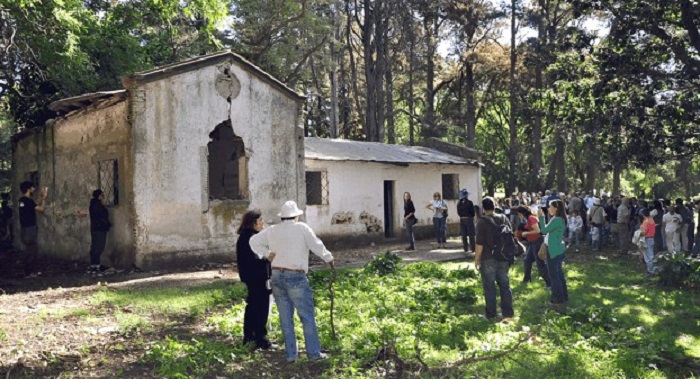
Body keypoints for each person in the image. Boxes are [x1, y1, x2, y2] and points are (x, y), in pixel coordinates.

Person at [249, 200, 334, 362]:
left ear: (283, 217)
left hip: (277, 275)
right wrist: (329, 258)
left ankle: (291, 355)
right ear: (295, 216)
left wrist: (266, 254)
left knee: (286, 318)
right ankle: (313, 354)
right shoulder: (302, 228)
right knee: (307, 316)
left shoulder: (272, 230)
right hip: (296, 276)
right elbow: (316, 245)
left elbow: (253, 241)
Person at [236, 209, 273, 350]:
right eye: (260, 221)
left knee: (253, 306)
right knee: (260, 306)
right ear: (254, 223)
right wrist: (267, 258)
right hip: (256, 277)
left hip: (253, 277)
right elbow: (254, 259)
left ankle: (250, 336)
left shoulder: (247, 236)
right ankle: (258, 337)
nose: (262, 223)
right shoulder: (251, 238)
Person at [474, 197, 514, 319]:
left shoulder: (482, 222)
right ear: (494, 205)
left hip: (488, 257)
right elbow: (510, 235)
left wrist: (477, 258)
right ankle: (507, 312)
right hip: (503, 256)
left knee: (489, 286)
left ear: (483, 208)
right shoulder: (503, 218)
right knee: (505, 285)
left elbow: (479, 243)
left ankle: (491, 314)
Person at [538, 200, 568, 306]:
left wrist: (541, 217)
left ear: (556, 208)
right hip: (558, 249)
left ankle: (557, 299)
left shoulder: (557, 220)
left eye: (550, 207)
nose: (548, 209)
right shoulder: (559, 219)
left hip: (554, 250)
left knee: (554, 275)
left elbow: (544, 230)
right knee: (559, 274)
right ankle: (563, 296)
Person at [18, 181, 48, 278]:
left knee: (29, 250)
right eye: (32, 188)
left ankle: (29, 271)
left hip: (24, 229)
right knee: (31, 251)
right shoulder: (28, 201)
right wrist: (44, 198)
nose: (34, 189)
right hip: (30, 229)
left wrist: (41, 197)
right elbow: (41, 209)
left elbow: (35, 204)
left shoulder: (23, 200)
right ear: (28, 189)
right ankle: (29, 272)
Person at [84, 189, 115, 277]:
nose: (103, 196)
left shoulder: (94, 204)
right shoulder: (97, 205)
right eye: (102, 195)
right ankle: (96, 266)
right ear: (98, 195)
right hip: (99, 229)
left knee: (95, 246)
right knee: (99, 246)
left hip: (96, 228)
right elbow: (100, 217)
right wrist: (105, 224)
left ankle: (94, 265)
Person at [518, 206, 550, 287]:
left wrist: (526, 233)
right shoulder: (529, 218)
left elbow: (537, 230)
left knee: (540, 264)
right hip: (532, 243)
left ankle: (549, 283)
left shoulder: (531, 218)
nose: (519, 216)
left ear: (522, 213)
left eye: (519, 214)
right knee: (527, 260)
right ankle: (526, 279)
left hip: (537, 242)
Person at [640, 209, 656, 276]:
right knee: (651, 255)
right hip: (652, 238)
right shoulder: (652, 220)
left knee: (648, 256)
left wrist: (638, 234)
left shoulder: (646, 221)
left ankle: (650, 271)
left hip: (646, 239)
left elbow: (644, 232)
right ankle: (652, 270)